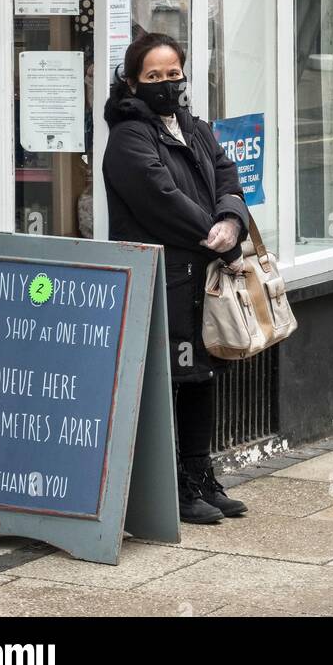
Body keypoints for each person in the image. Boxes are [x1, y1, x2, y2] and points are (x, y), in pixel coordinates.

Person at [103, 30, 250, 524]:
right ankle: (175, 487)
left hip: (202, 274)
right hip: (163, 279)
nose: (166, 84)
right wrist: (211, 230)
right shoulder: (129, 137)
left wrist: (231, 222)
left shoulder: (195, 127)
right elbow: (159, 195)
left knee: (202, 376)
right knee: (171, 379)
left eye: (173, 74)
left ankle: (200, 474)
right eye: (153, 76)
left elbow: (229, 178)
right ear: (131, 82)